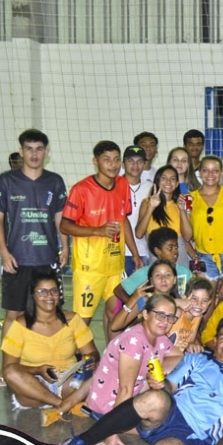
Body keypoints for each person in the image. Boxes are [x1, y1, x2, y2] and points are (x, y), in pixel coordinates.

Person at [63, 315, 223, 445]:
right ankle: (79, 442)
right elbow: (170, 386)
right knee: (156, 397)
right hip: (171, 412)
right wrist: (159, 384)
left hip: (194, 434)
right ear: (215, 341)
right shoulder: (197, 359)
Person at [0, 129, 68, 387]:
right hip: (17, 259)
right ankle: (6, 369)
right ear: (21, 151)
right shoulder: (6, 181)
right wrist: (3, 251)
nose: (34, 154)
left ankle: (51, 365)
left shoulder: (55, 182)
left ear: (46, 152)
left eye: (39, 149)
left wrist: (65, 246)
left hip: (46, 260)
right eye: (29, 149)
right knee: (13, 314)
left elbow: (60, 218)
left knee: (48, 313)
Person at [1, 271, 98, 427]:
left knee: (101, 371)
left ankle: (62, 406)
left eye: (53, 291)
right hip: (35, 388)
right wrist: (37, 370)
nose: (49, 296)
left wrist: (91, 361)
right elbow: (8, 369)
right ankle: (63, 405)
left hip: (68, 381)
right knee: (11, 373)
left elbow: (91, 353)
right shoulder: (20, 325)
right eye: (42, 292)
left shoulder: (72, 319)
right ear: (33, 295)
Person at [61, 140, 139, 326]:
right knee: (82, 320)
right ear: (95, 162)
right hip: (90, 269)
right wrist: (98, 230)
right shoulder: (81, 189)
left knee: (119, 316)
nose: (113, 164)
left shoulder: (122, 184)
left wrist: (135, 253)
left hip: (115, 267)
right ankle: (76, 356)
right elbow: (64, 226)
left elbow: (124, 220)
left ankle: (113, 354)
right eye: (107, 160)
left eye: (116, 159)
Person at [86, 294, 176, 418]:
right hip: (110, 407)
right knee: (165, 425)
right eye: (160, 315)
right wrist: (111, 433)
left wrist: (154, 373)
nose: (165, 321)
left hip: (131, 399)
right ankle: (107, 426)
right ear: (145, 314)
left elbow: (181, 359)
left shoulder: (159, 337)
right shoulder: (134, 341)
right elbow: (125, 389)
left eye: (170, 317)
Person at [185, 155, 223, 280]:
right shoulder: (189, 198)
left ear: (221, 173)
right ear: (200, 172)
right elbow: (187, 236)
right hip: (204, 256)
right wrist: (182, 210)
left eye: (215, 170)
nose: (210, 174)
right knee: (205, 297)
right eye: (206, 170)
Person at [134, 164, 193, 252]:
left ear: (177, 184)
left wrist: (182, 210)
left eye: (172, 179)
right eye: (164, 178)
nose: (168, 182)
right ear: (158, 181)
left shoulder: (181, 204)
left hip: (179, 255)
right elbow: (139, 234)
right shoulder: (147, 203)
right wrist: (151, 207)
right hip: (157, 256)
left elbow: (188, 237)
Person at [120, 146, 152, 275]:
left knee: (142, 293)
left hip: (144, 252)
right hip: (117, 252)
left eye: (139, 161)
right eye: (130, 161)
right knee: (117, 294)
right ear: (123, 164)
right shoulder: (112, 186)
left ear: (145, 164)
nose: (135, 165)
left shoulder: (151, 187)